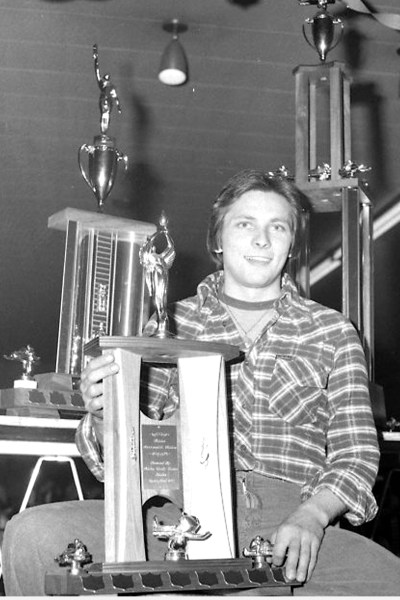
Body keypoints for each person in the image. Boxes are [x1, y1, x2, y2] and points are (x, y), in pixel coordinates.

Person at [3, 169, 400, 596]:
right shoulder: (171, 324)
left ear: (291, 245)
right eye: (245, 224)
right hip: (176, 524)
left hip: (293, 527)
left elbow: (356, 455)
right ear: (218, 239)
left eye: (277, 227)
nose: (262, 240)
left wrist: (313, 516)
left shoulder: (333, 332)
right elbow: (118, 459)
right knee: (32, 536)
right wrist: (103, 413)